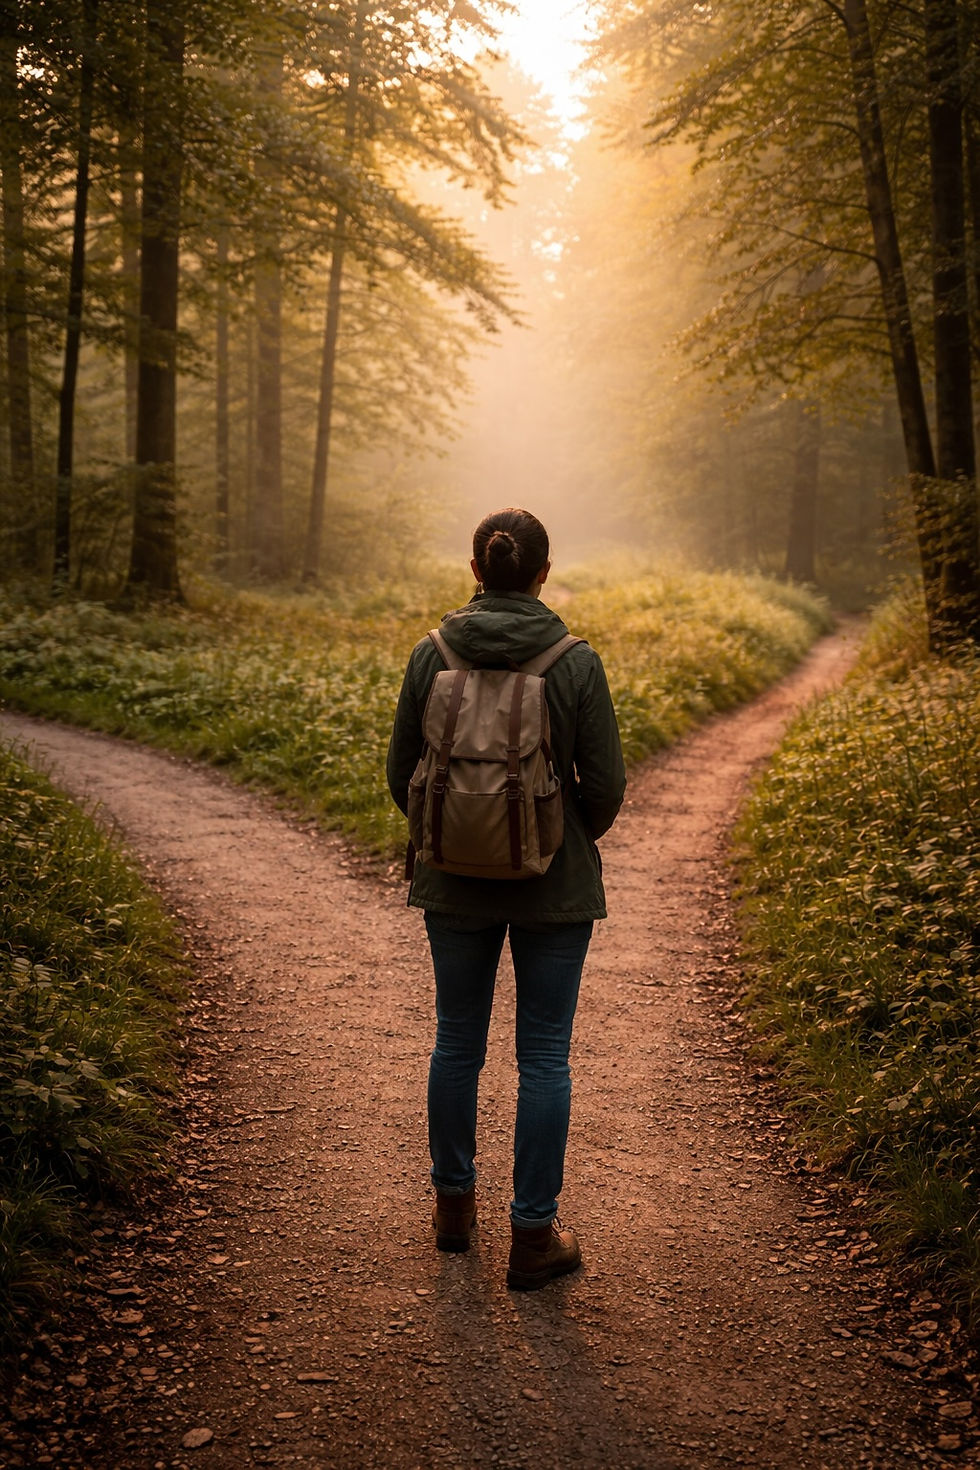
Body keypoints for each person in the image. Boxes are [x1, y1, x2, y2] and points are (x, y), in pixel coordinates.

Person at [386, 507, 626, 1290]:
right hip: (553, 887)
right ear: (543, 574)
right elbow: (608, 787)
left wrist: (455, 836)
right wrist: (559, 839)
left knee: (457, 1042)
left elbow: (402, 774)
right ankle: (532, 1238)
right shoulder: (574, 661)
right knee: (544, 1056)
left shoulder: (433, 653)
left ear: (476, 570)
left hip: (453, 879)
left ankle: (452, 1212)